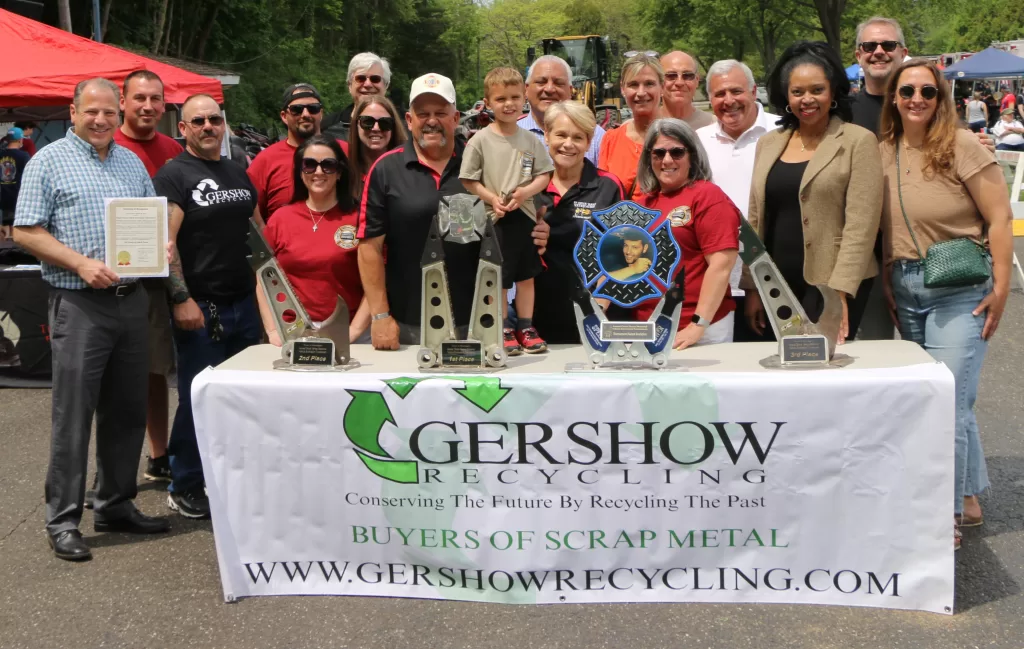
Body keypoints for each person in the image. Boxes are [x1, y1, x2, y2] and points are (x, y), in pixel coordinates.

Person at [13, 78, 171, 561]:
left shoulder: (129, 161)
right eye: (91, 112)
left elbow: (150, 220)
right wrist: (79, 262)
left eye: (107, 112)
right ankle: (62, 519)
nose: (101, 120)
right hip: (79, 303)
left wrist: (159, 248)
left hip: (130, 300)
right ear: (74, 111)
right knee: (73, 416)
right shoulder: (47, 161)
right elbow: (24, 231)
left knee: (125, 410)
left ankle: (115, 504)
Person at [878, 59, 1013, 551]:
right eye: (907, 90)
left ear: (942, 99)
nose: (917, 99)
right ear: (893, 96)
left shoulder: (961, 146)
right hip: (907, 284)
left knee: (947, 402)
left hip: (959, 287)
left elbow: (999, 218)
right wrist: (892, 282)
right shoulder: (882, 151)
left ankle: (945, 515)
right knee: (949, 399)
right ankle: (971, 496)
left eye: (928, 92)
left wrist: (999, 289)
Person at [357, 73, 551, 349]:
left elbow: (523, 209)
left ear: (456, 118)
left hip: (480, 322)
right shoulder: (387, 169)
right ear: (409, 120)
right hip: (409, 324)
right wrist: (380, 316)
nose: (432, 121)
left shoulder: (484, 159)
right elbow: (368, 247)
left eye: (440, 112)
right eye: (422, 114)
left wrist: (538, 230)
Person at [154, 94, 262, 519]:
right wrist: (181, 298)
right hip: (202, 308)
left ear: (223, 124)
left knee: (240, 395)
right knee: (199, 396)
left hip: (244, 302)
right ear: (182, 128)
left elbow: (256, 231)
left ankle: (231, 476)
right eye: (197, 121)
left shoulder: (236, 171)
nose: (207, 127)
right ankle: (185, 482)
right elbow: (166, 244)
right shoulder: (174, 176)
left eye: (214, 119)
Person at [744, 41, 882, 343]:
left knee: (824, 371)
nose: (807, 99)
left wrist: (840, 293)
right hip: (775, 283)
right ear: (787, 97)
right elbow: (755, 220)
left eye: (817, 90)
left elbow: (862, 225)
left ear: (832, 92)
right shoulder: (768, 144)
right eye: (798, 92)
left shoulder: (858, 141)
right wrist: (752, 287)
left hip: (831, 283)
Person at [112, 70, 184, 484]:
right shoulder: (108, 145)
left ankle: (161, 455)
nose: (147, 106)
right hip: (123, 276)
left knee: (158, 368)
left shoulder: (173, 148)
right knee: (127, 375)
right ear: (124, 101)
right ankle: (121, 468)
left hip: (170, 272)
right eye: (139, 98)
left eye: (155, 99)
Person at [460, 67, 554, 355]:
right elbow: (468, 179)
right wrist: (491, 198)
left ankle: (526, 325)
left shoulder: (530, 140)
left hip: (524, 216)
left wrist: (526, 192)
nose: (509, 104)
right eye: (501, 99)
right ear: (487, 103)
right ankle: (501, 326)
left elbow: (544, 174)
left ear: (524, 97)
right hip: (494, 219)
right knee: (497, 278)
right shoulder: (479, 140)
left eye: (515, 97)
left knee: (526, 275)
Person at [634, 118, 740, 348]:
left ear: (692, 155)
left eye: (677, 152)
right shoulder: (644, 203)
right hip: (649, 327)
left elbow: (721, 265)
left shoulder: (707, 196)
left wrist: (698, 324)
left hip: (701, 330)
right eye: (659, 153)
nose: (667, 160)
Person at [696, 60, 781, 342]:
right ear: (709, 99)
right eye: (719, 94)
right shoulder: (697, 143)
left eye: (736, 91)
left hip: (775, 277)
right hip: (719, 284)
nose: (729, 101)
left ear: (754, 91)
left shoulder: (781, 132)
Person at [258, 135, 369, 343]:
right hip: (292, 332)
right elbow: (263, 275)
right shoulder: (281, 219)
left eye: (328, 165)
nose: (318, 172)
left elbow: (376, 277)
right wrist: (273, 330)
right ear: (300, 172)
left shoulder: (358, 218)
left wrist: (354, 331)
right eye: (309, 165)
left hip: (348, 333)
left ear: (339, 173)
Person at [533, 101, 624, 344]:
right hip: (539, 313)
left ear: (589, 140)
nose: (568, 144)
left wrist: (600, 303)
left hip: (597, 313)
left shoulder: (608, 186)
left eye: (578, 137)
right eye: (560, 135)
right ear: (546, 136)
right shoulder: (530, 188)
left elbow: (622, 252)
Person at [247, 83, 348, 222]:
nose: (305, 114)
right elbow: (252, 213)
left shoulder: (344, 151)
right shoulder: (265, 160)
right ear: (283, 116)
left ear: (321, 113)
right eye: (297, 109)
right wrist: (266, 240)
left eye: (313, 108)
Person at [599, 54, 664, 199]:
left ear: (662, 87)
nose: (641, 93)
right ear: (623, 89)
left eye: (649, 84)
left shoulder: (679, 138)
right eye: (633, 84)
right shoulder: (611, 140)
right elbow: (603, 196)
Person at [519, 55, 605, 165]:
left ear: (570, 91)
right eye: (541, 82)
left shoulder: (596, 136)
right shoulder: (511, 135)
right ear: (526, 89)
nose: (549, 89)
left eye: (558, 83)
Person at [347, 95, 406, 201]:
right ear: (356, 124)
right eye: (367, 122)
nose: (376, 128)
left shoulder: (409, 171)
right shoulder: (343, 171)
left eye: (385, 123)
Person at [322, 52, 392, 141]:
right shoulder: (327, 127)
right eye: (360, 79)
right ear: (349, 85)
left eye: (375, 79)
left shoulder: (403, 129)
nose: (367, 84)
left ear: (386, 86)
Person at [659, 51, 715, 130]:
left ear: (697, 80)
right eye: (671, 75)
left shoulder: (713, 125)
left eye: (688, 76)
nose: (679, 82)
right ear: (658, 80)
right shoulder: (644, 125)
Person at [0, 127, 31, 241]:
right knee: (18, 229)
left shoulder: (1, 154)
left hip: (3, 195)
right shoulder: (24, 156)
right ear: (20, 140)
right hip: (19, 196)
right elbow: (30, 175)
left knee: (6, 227)